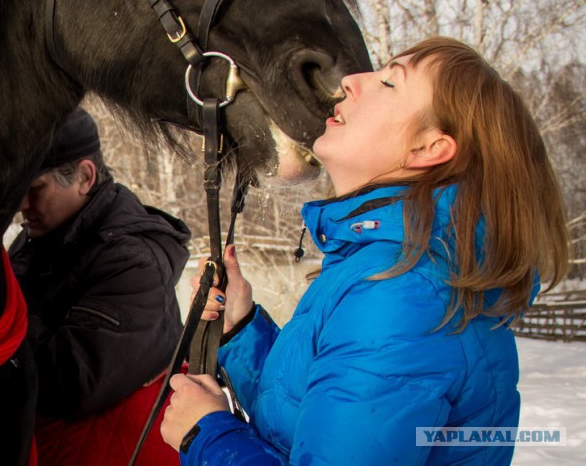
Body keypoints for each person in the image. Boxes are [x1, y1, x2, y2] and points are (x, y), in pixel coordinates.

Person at [160, 36, 568, 465]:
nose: (351, 81)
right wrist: (240, 330)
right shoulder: (394, 268)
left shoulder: (405, 293)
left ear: (430, 147)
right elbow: (313, 419)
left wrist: (205, 436)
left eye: (390, 83)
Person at [9, 106, 190, 465]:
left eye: (35, 188)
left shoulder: (133, 261)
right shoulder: (39, 240)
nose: (21, 205)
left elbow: (72, 383)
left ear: (85, 177)